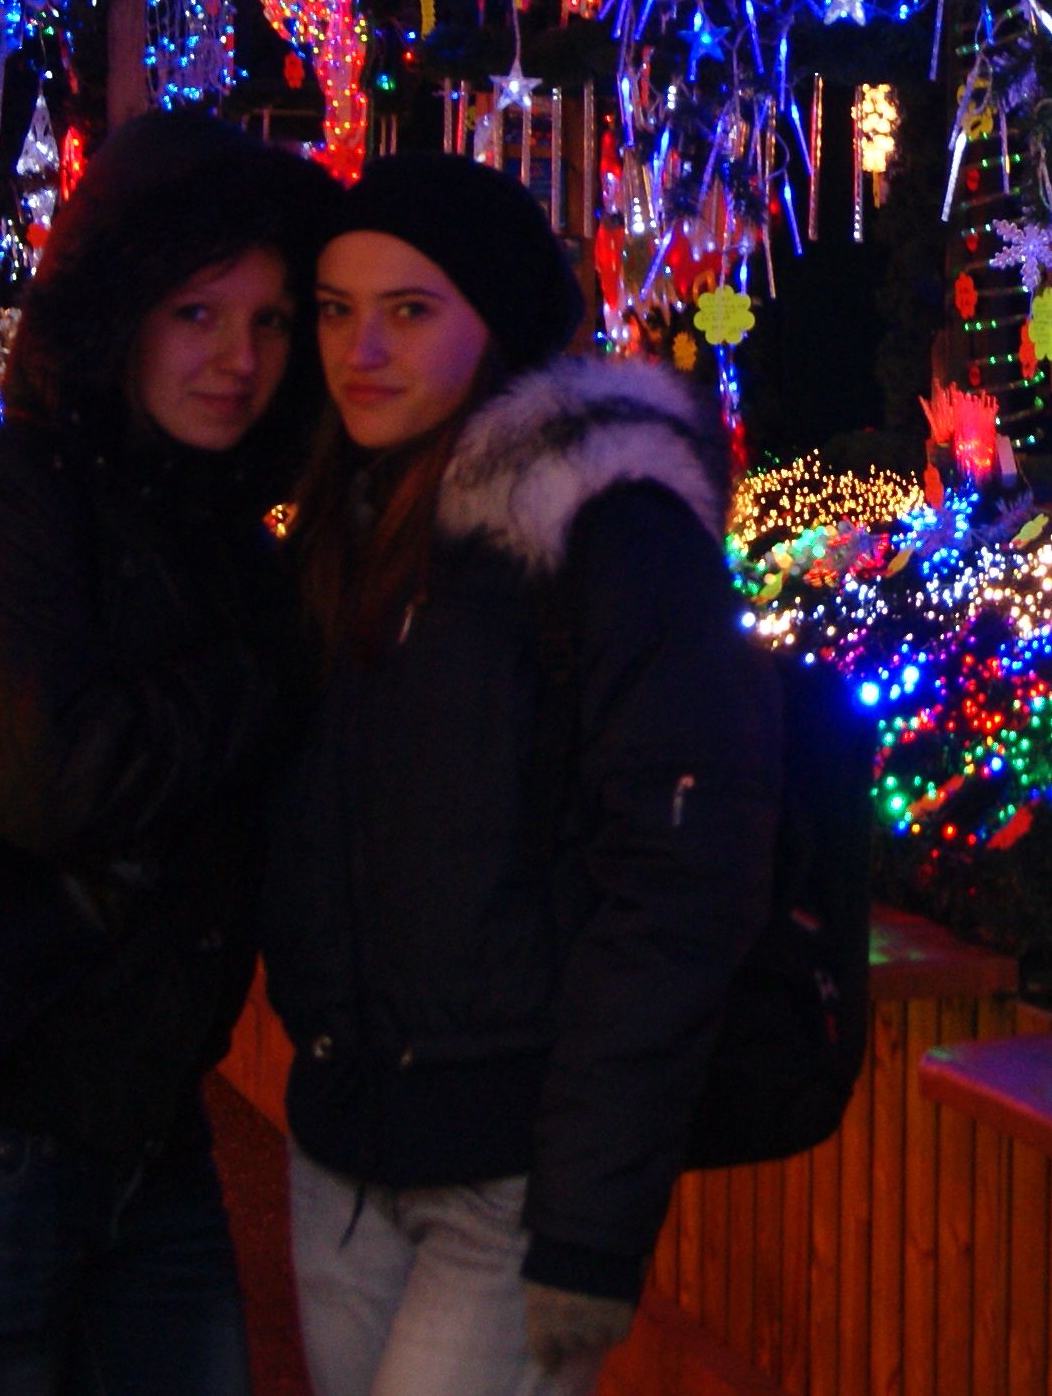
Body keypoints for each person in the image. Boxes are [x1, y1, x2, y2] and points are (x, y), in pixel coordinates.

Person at [0, 110, 334, 1394]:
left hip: (146, 1129)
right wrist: (270, 667)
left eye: (271, 322)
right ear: (116, 313)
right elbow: (52, 776)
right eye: (197, 313)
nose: (239, 360)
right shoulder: (9, 490)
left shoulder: (221, 526)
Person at [262, 153, 778, 1396]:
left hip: (510, 1174)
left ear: (495, 323)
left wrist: (590, 1222)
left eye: (409, 310)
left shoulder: (609, 535)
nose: (360, 351)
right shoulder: (345, 521)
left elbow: (674, 881)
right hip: (340, 1148)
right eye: (334, 309)